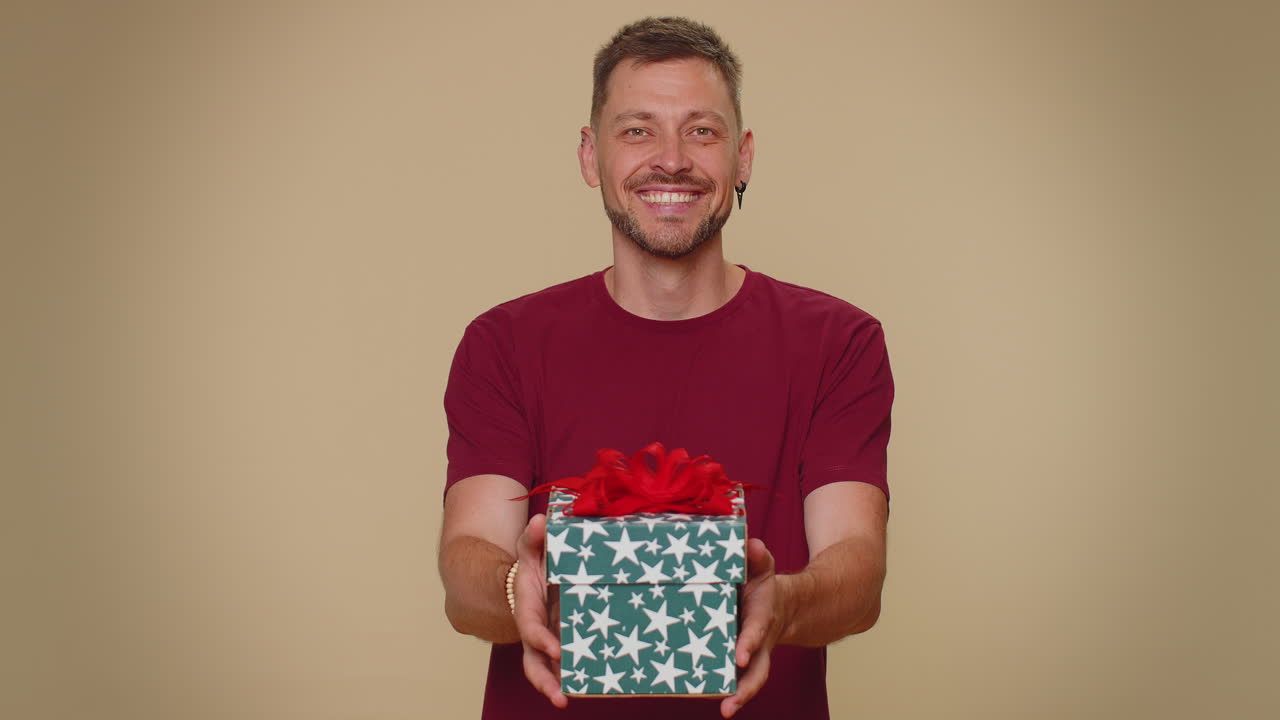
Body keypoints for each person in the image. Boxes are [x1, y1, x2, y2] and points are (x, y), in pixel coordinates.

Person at [439, 16, 892, 720]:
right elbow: (466, 566)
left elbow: (857, 574)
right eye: (638, 130)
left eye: (701, 131)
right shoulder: (503, 343)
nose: (672, 160)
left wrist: (786, 602)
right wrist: (516, 590)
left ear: (743, 157)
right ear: (591, 156)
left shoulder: (839, 343)